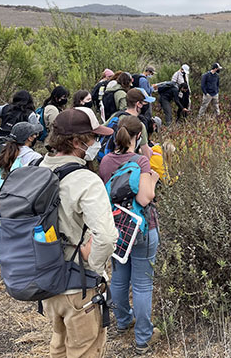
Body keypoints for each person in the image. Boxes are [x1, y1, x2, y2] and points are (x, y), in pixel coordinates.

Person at [40, 108, 119, 357]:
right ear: (77, 142)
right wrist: (92, 262)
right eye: (93, 138)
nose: (96, 143)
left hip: (47, 281)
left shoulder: (39, 168)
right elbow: (106, 237)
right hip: (79, 286)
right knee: (85, 349)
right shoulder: (85, 180)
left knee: (59, 346)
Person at [99, 116, 161, 354]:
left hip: (116, 227)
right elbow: (145, 197)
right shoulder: (141, 161)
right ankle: (143, 338)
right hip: (142, 227)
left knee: (120, 275)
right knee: (143, 285)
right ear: (138, 137)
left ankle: (123, 322)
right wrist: (153, 178)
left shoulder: (105, 161)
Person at [0, 122, 43, 208]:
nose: (36, 136)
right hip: (16, 203)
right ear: (30, 138)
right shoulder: (34, 157)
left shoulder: (5, 149)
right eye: (34, 134)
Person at [104, 88, 155, 159]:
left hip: (109, 158)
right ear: (138, 104)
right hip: (128, 163)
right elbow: (146, 153)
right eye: (145, 103)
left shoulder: (117, 115)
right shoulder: (139, 125)